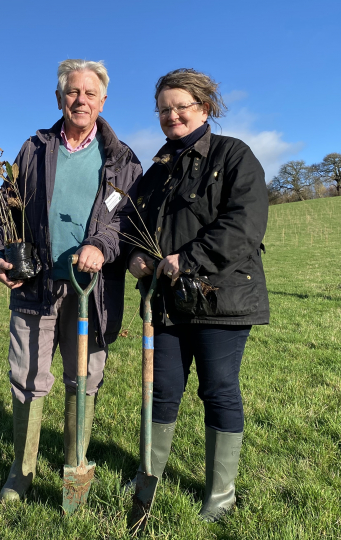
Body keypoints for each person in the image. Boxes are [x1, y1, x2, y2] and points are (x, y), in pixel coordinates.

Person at [0, 59, 142, 502]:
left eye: (90, 93)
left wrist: (99, 244)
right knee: (28, 374)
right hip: (35, 285)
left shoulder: (122, 159)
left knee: (85, 376)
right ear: (59, 98)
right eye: (73, 92)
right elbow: (7, 210)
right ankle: (21, 472)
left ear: (103, 101)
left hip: (90, 291)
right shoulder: (34, 148)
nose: (81, 100)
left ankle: (75, 462)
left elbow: (126, 221)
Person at [127, 68, 269, 522]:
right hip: (167, 304)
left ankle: (220, 495)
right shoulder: (156, 172)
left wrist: (186, 258)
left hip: (221, 299)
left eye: (180, 107)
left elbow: (244, 226)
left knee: (219, 390)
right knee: (162, 390)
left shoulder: (233, 156)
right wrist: (135, 256)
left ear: (204, 108)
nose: (171, 116)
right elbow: (133, 227)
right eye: (163, 110)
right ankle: (149, 473)